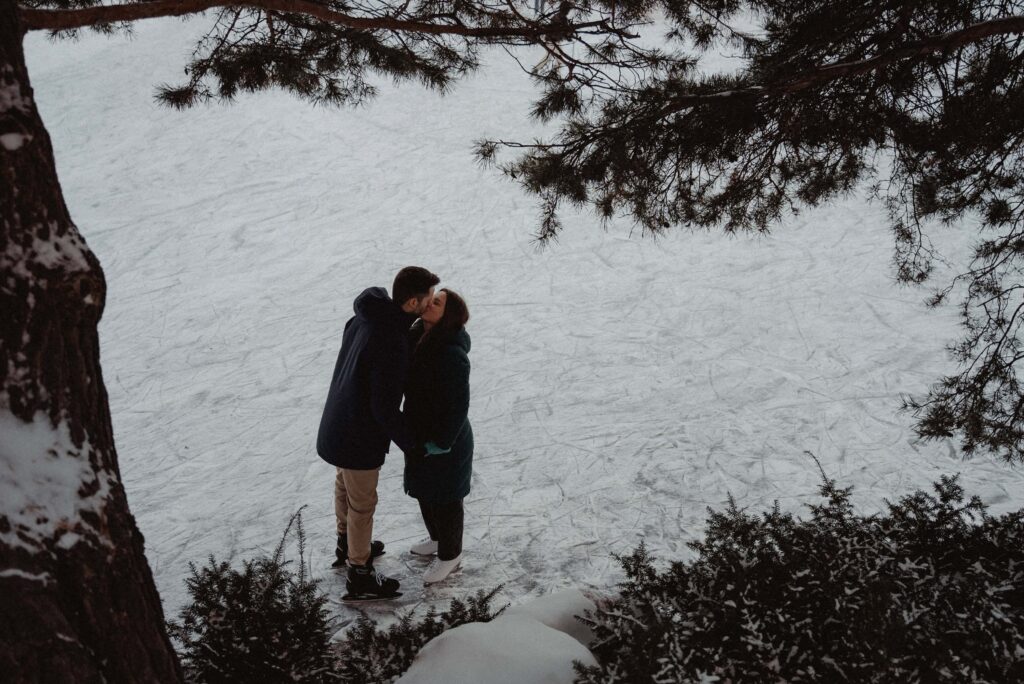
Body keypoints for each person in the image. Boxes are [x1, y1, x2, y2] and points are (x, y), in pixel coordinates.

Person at [317, 266, 439, 600]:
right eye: (428, 300)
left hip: (338, 420)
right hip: (358, 433)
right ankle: (360, 574)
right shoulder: (391, 340)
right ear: (412, 301)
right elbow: (383, 407)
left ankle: (347, 544)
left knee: (344, 485)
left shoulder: (366, 317)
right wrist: (413, 445)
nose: (431, 305)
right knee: (363, 503)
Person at [403, 288, 473, 585]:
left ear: (448, 315)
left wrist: (442, 442)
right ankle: (436, 539)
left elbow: (459, 404)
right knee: (424, 491)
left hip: (447, 440)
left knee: (446, 499)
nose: (429, 303)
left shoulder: (451, 353)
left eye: (437, 302)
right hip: (419, 431)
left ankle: (450, 555)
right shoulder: (417, 334)